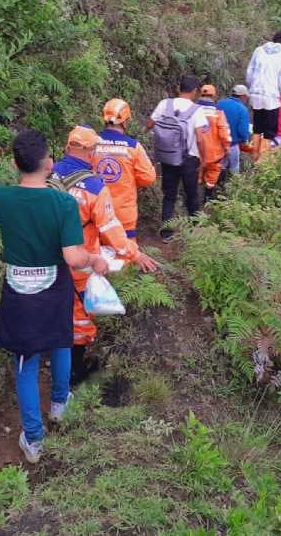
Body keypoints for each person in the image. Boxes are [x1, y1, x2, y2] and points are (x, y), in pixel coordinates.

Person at [0, 128, 107, 465]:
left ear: (15, 163)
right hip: (54, 285)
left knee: (26, 361)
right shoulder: (63, 203)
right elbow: (73, 257)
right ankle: (59, 404)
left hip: (17, 290)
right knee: (61, 340)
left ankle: (35, 440)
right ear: (50, 163)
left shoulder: (0, 198)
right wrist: (94, 259)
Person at [53, 126, 159, 387]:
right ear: (89, 151)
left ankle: (54, 362)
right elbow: (110, 227)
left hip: (47, 259)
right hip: (80, 261)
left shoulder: (48, 175)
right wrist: (133, 253)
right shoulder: (93, 185)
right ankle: (71, 377)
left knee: (52, 311)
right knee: (79, 319)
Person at [148, 76, 212, 240]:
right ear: (194, 91)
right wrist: (204, 159)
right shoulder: (196, 110)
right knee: (191, 194)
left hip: (168, 157)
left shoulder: (165, 104)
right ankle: (194, 230)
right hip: (189, 159)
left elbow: (150, 124)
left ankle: (166, 233)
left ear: (179, 88)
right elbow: (200, 138)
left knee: (169, 195)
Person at [92, 99, 157, 248]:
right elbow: (148, 178)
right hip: (123, 214)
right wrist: (130, 181)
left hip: (96, 211)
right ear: (125, 121)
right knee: (126, 253)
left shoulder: (92, 143)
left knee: (97, 254)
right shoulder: (133, 147)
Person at [245, 30, 281, 143]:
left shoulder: (259, 50)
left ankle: (255, 156)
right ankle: (263, 159)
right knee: (269, 132)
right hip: (271, 98)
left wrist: (252, 88)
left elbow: (249, 73)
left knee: (257, 129)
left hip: (255, 96)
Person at [196, 85, 232, 202]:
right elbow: (224, 133)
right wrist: (227, 148)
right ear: (214, 96)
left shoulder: (192, 110)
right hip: (214, 154)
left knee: (196, 173)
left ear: (200, 94)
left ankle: (193, 197)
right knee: (212, 175)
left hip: (196, 152)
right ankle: (207, 198)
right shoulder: (218, 114)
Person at [216, 84, 252, 182]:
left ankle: (217, 188)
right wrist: (245, 140)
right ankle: (233, 190)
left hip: (218, 143)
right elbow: (243, 130)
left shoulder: (220, 103)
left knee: (220, 166)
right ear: (242, 96)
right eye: (246, 97)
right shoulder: (242, 109)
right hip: (232, 144)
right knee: (234, 168)